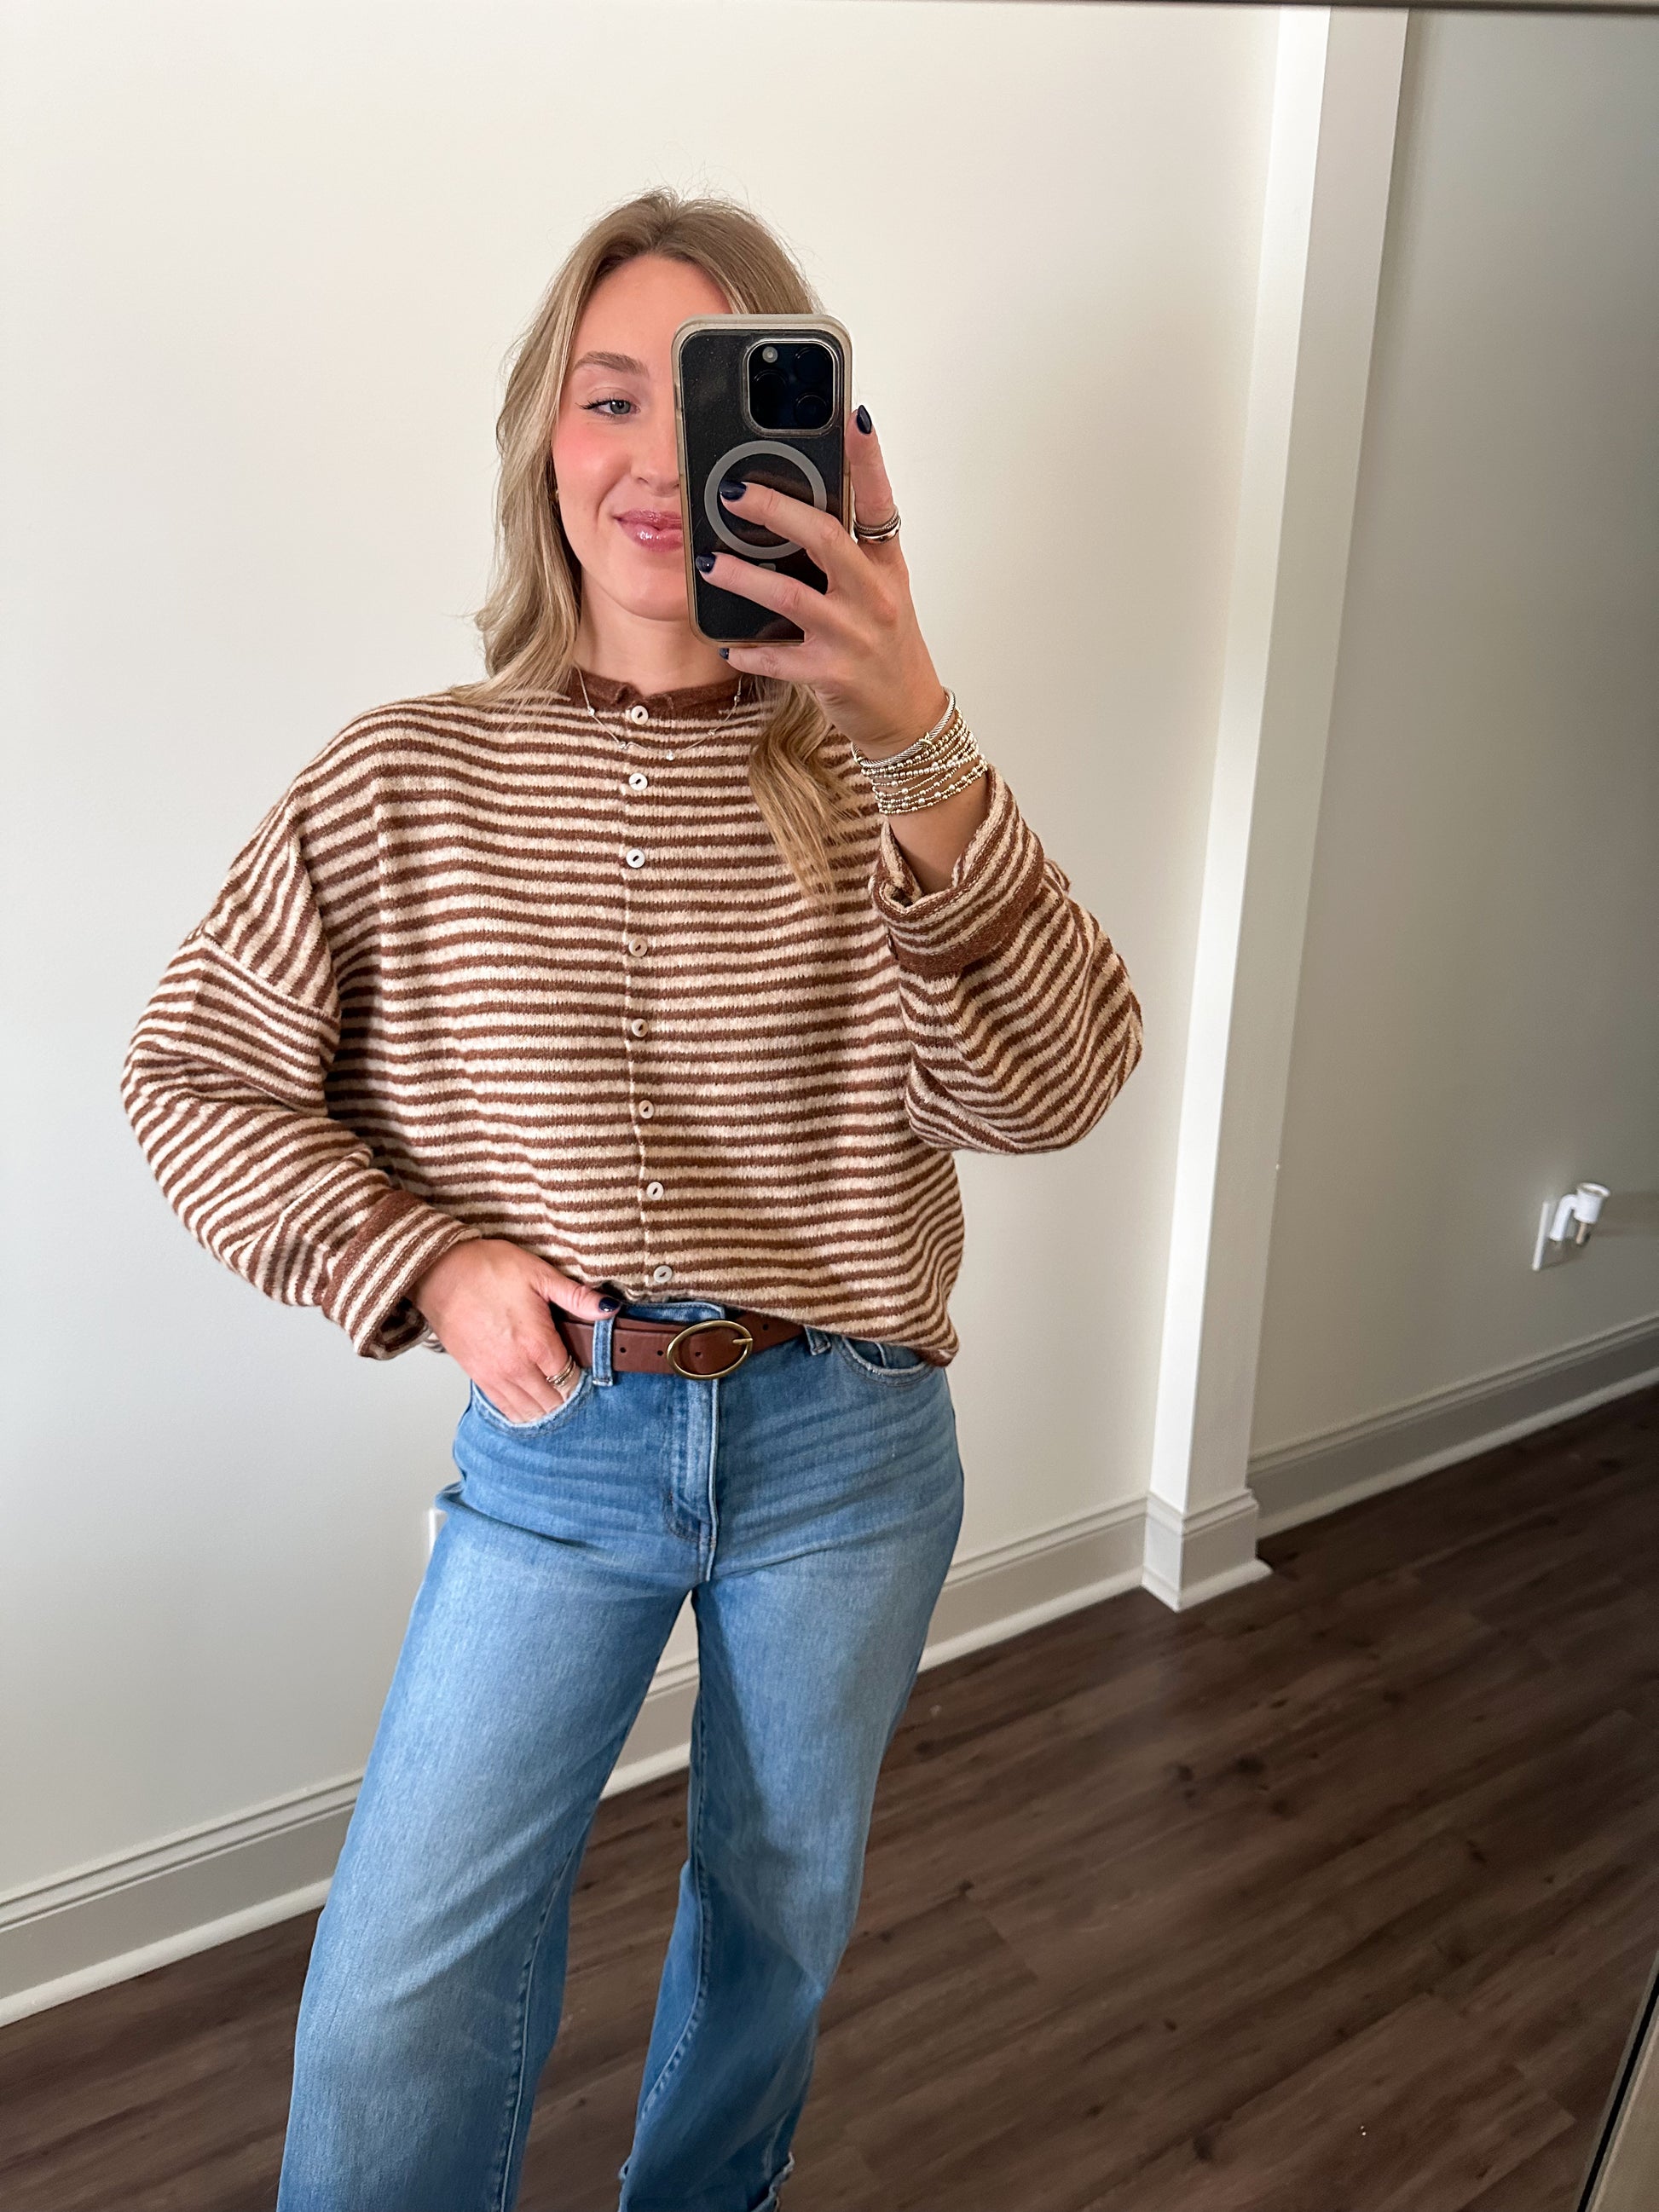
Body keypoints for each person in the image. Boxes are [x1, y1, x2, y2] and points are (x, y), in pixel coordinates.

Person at [120, 187, 1142, 2212]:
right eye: (610, 396)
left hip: (850, 1443)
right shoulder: (401, 778)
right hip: (560, 1440)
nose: (661, 458)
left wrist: (918, 733)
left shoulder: (880, 779)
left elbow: (1051, 1087)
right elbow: (192, 1075)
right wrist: (423, 1256)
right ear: (543, 442)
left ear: (811, 450)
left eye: (714, 397)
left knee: (774, 1910)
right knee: (400, 1985)